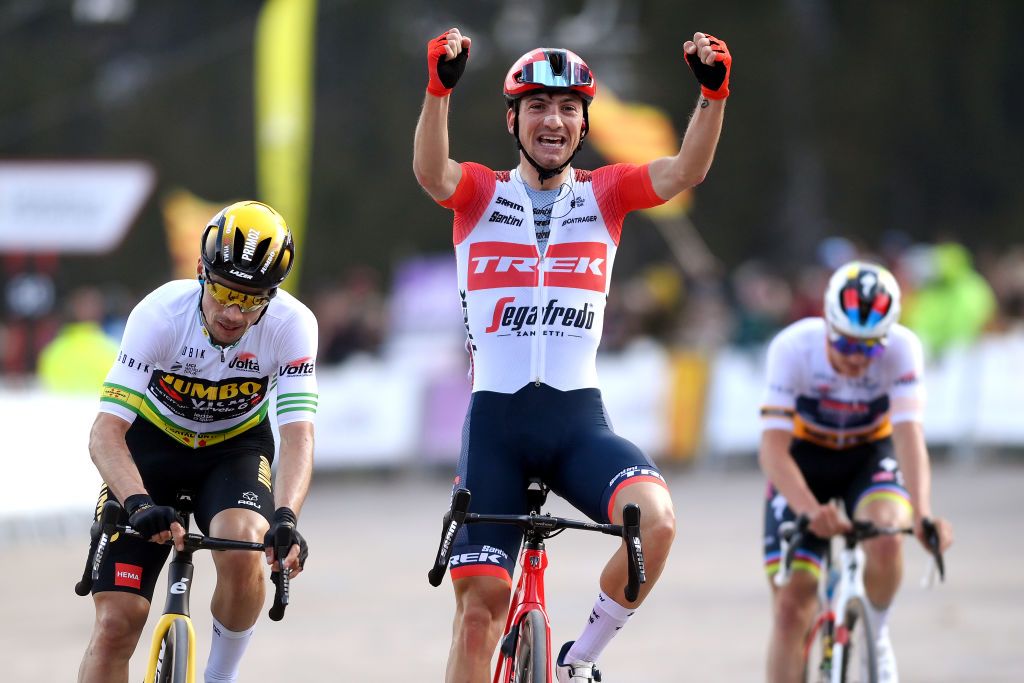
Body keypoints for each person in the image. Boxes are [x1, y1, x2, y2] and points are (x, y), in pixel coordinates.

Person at [413, 26, 730, 683]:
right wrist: (439, 89)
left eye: (567, 109)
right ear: (512, 119)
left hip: (576, 425)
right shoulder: (477, 192)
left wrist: (713, 94)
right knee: (480, 610)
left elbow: (685, 171)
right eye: (536, 106)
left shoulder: (606, 194)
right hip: (495, 428)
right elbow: (429, 172)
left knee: (658, 521)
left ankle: (579, 655)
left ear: (584, 125)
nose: (552, 120)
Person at [77, 201, 318, 683]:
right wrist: (138, 501)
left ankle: (219, 677)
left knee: (248, 543)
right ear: (201, 273)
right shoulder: (162, 314)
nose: (233, 312)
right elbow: (105, 434)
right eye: (225, 292)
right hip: (152, 446)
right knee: (115, 624)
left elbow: (297, 435)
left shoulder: (292, 325)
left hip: (234, 450)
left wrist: (287, 517)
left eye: (251, 300)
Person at [758, 260, 954, 683]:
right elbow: (773, 451)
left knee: (886, 537)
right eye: (845, 344)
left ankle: (876, 632)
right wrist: (809, 510)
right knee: (792, 609)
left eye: (869, 348)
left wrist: (922, 513)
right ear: (826, 325)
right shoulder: (792, 348)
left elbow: (908, 437)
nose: (855, 358)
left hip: (868, 455)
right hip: (802, 461)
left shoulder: (904, 348)